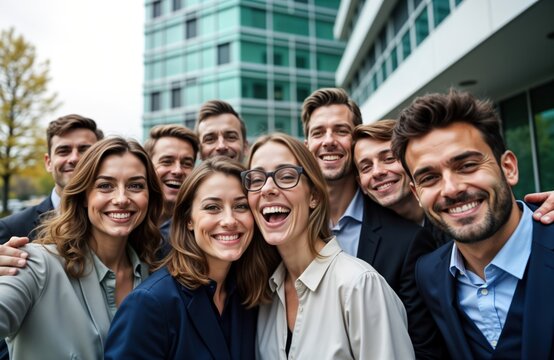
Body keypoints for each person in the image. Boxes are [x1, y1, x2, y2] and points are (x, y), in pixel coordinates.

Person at [391, 89, 554, 359]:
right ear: (416, 194)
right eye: (429, 177)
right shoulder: (428, 273)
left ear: (509, 168)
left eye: (467, 165)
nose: (451, 189)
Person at [243, 133, 414, 359]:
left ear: (313, 195)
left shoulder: (360, 285)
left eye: (286, 176)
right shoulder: (266, 293)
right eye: (256, 180)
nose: (267, 188)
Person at [0, 137, 163, 360]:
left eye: (135, 185)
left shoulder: (154, 273)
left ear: (149, 197)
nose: (122, 199)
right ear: (84, 196)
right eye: (105, 185)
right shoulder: (34, 264)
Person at [104, 157, 279, 359]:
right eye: (212, 207)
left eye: (241, 206)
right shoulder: (149, 304)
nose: (229, 220)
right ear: (188, 220)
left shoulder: (248, 295)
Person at [0, 114, 103, 244]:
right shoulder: (11, 228)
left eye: (85, 150)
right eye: (63, 151)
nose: (74, 159)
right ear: (48, 162)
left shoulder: (121, 222)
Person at [143, 124, 199, 240]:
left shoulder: (199, 231)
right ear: (148, 167)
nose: (178, 171)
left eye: (187, 164)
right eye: (167, 161)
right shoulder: (129, 224)